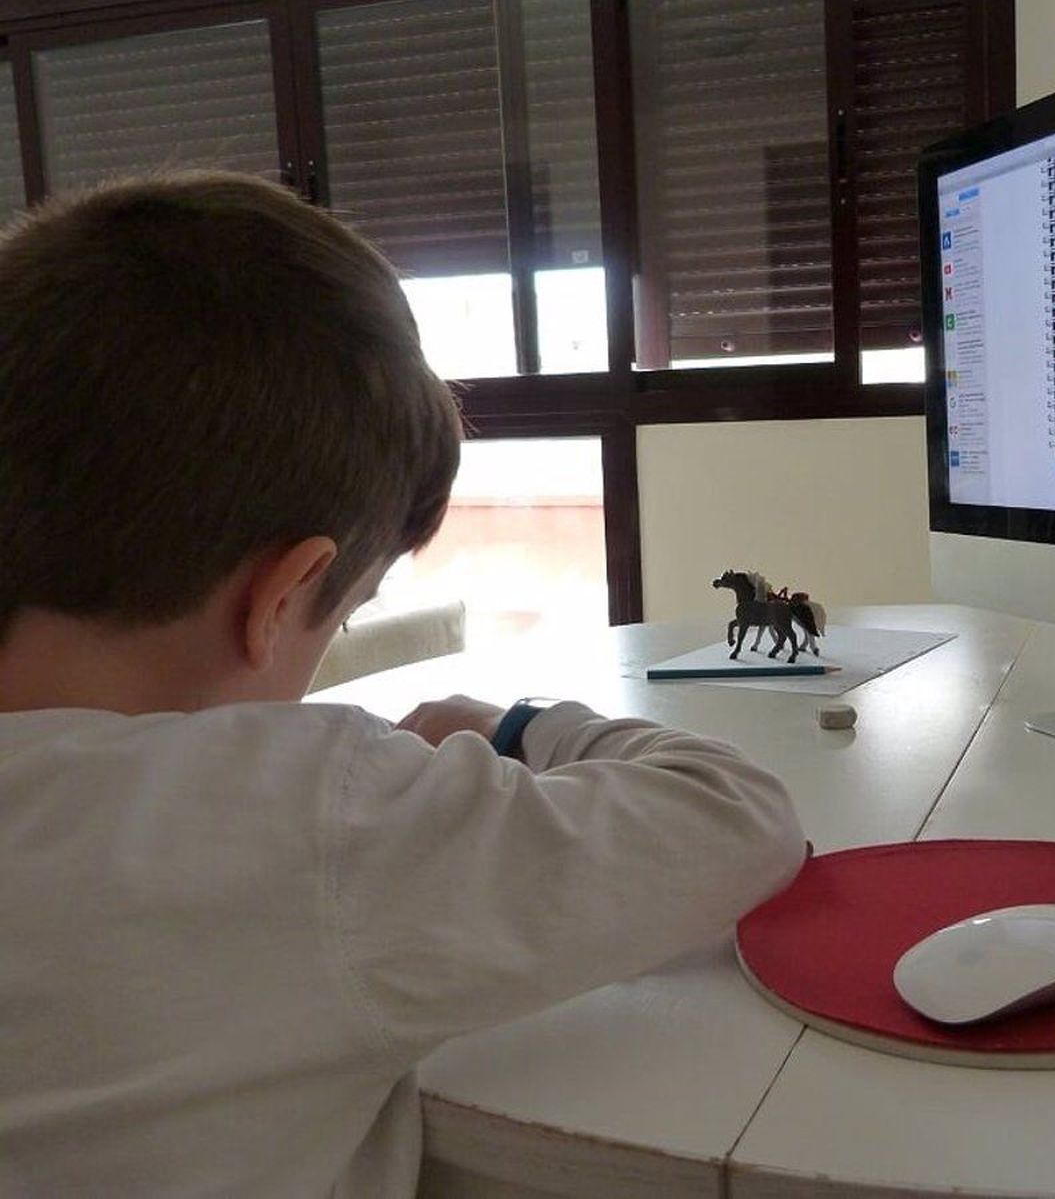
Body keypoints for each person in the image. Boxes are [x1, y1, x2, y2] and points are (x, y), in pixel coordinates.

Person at [0, 171, 806, 1195]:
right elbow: (735, 820)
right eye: (341, 612)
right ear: (279, 596)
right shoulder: (297, 813)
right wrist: (511, 727)